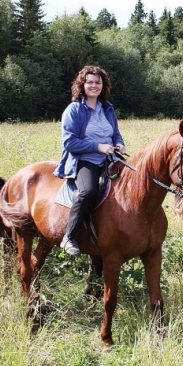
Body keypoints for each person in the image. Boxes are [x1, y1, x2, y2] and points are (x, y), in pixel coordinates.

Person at [55, 65, 126, 255]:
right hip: (84, 161)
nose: (94, 86)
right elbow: (70, 143)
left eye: (98, 82)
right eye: (90, 82)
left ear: (103, 85)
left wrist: (120, 144)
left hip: (111, 159)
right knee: (88, 191)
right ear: (82, 85)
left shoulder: (108, 108)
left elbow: (116, 134)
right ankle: (70, 237)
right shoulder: (74, 110)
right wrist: (98, 147)